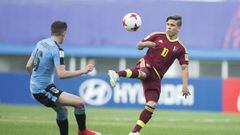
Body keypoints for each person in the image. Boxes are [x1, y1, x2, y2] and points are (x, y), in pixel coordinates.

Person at [108, 15, 190, 135]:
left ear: (179, 28)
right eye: (168, 24)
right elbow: (138, 46)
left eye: (172, 25)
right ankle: (116, 74)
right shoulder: (157, 35)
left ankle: (134, 132)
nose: (169, 27)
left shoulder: (181, 48)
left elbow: (184, 67)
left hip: (156, 76)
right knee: (144, 73)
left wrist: (185, 85)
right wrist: (147, 44)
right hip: (146, 63)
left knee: (152, 104)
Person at [26, 21, 101, 135]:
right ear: (64, 33)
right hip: (43, 90)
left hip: (37, 88)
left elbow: (28, 65)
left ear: (52, 31)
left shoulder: (41, 43)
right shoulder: (57, 50)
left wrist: (34, 83)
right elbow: (61, 74)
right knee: (80, 103)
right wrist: (83, 71)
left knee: (62, 112)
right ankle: (83, 131)